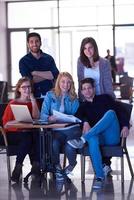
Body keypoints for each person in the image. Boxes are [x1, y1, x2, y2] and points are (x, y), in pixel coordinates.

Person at [67, 78, 129, 189]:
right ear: (81, 92)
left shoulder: (105, 98)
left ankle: (83, 139)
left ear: (94, 89)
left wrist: (125, 125)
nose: (87, 91)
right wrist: (85, 121)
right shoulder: (82, 107)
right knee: (92, 138)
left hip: (112, 137)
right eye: (84, 89)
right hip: (99, 138)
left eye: (89, 88)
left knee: (110, 113)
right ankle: (99, 177)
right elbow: (77, 118)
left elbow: (121, 111)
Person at [40, 72, 81, 182]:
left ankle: (72, 165)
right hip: (56, 130)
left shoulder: (74, 98)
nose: (65, 85)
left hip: (71, 129)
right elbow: (42, 114)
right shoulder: (50, 95)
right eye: (63, 81)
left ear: (71, 84)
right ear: (58, 82)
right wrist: (49, 118)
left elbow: (75, 115)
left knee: (69, 146)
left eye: (68, 82)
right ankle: (57, 168)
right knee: (54, 143)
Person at [2, 77, 40, 182]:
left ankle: (23, 167)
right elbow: (5, 125)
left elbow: (36, 118)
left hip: (30, 133)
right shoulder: (12, 103)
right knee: (28, 137)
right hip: (14, 134)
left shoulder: (33, 102)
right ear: (19, 89)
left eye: (29, 87)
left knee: (36, 136)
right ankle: (34, 166)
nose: (27, 89)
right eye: (24, 87)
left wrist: (33, 100)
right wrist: (18, 122)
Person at [19, 32, 59, 98]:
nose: (34, 44)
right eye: (31, 42)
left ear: (40, 43)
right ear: (28, 44)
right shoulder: (23, 61)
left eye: (37, 41)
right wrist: (48, 75)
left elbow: (55, 75)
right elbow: (28, 80)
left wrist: (35, 73)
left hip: (50, 95)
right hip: (32, 96)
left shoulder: (49, 58)